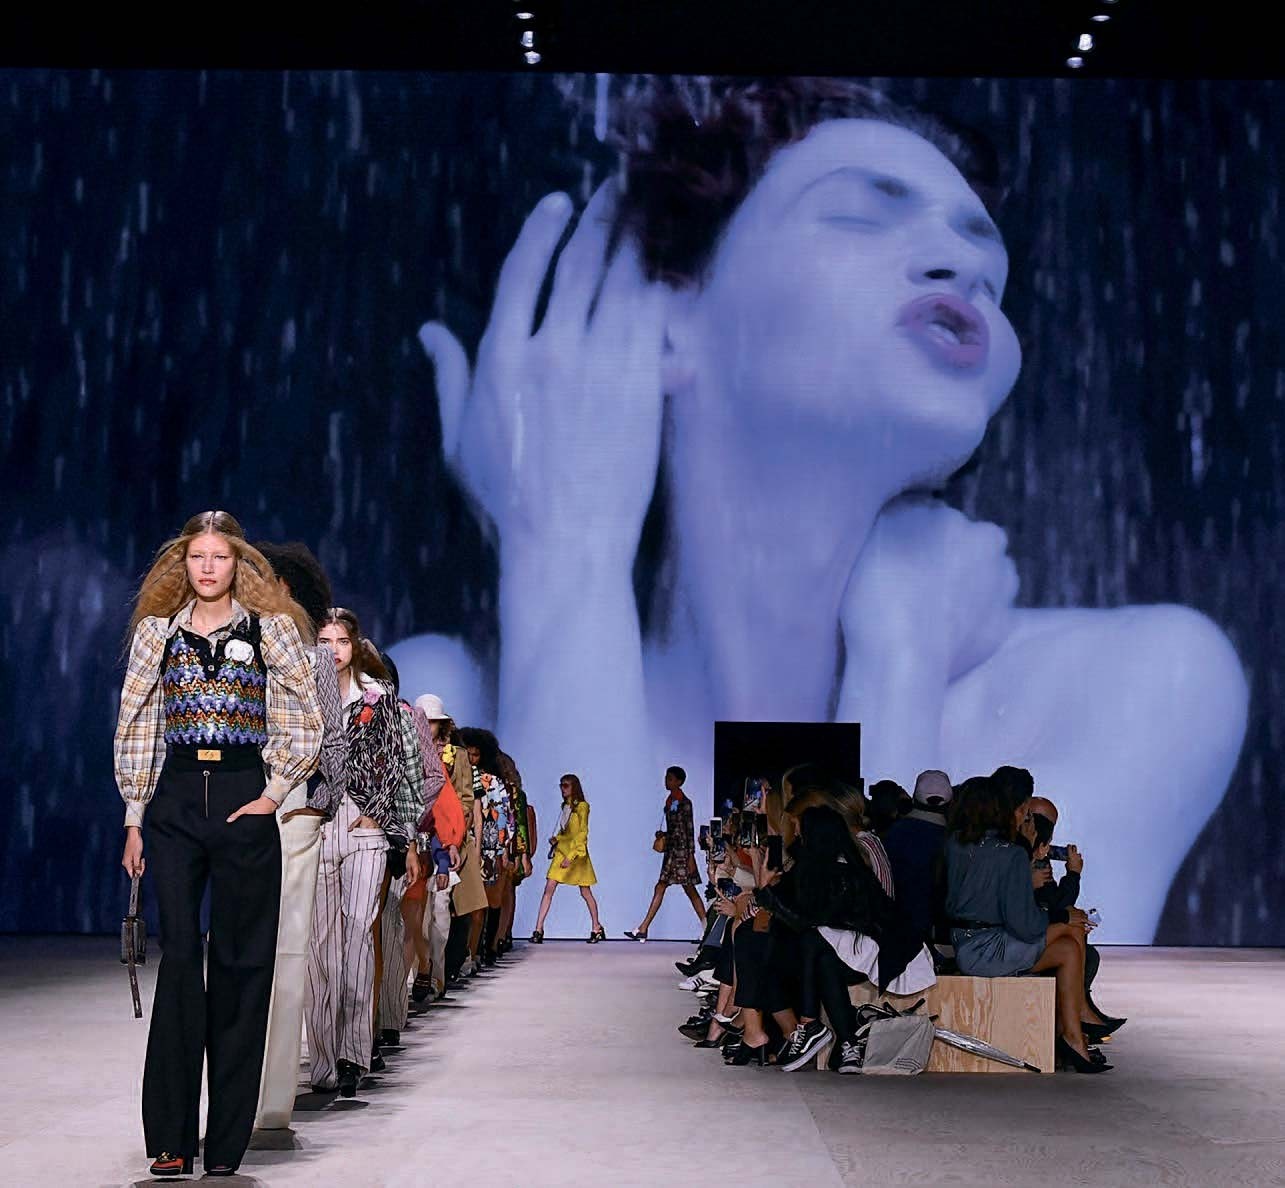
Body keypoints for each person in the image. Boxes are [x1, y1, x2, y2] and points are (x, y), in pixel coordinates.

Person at [400, 76, 1247, 943]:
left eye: (986, 260)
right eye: (858, 216)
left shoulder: (1135, 685)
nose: (964, 264)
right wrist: (562, 550)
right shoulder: (445, 705)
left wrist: (900, 657)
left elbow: (932, 1020)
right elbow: (570, 1024)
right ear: (665, 312)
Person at [115, 510, 322, 1177]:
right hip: (175, 798)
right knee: (180, 960)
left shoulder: (271, 631)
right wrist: (135, 814)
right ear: (184, 563)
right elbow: (138, 721)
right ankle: (171, 1138)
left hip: (242, 794)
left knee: (241, 964)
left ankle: (226, 1142)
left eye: (220, 557)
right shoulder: (158, 633)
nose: (208, 568)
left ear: (238, 564)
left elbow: (303, 714)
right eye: (197, 557)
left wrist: (274, 792)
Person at [250, 542, 347, 1141]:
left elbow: (333, 740)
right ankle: (233, 1093)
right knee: (236, 954)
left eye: (257, 577)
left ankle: (270, 1102)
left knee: (287, 957)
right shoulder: (237, 646)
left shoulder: (313, 659)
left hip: (293, 814)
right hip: (239, 808)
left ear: (284, 587)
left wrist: (318, 804)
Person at [305, 609, 421, 1100]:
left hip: (365, 826)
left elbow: (396, 762)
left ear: (355, 646)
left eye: (341, 641)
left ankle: (354, 1054)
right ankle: (322, 1060)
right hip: (315, 822)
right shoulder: (303, 696)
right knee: (320, 946)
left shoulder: (378, 698)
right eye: (324, 641)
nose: (332, 650)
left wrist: (381, 816)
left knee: (357, 935)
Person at [944, 776, 1108, 1073]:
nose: (1026, 819)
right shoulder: (1011, 854)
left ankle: (1073, 1036)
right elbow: (1026, 926)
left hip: (964, 943)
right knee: (1071, 929)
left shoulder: (956, 844)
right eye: (1025, 812)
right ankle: (1074, 1028)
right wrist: (1061, 914)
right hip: (987, 950)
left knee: (1069, 948)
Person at [1029, 795, 1125, 1033]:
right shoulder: (1019, 858)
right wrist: (1072, 875)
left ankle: (1081, 1014)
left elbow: (1054, 903)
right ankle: (1078, 1019)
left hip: (1024, 933)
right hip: (1008, 942)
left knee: (1082, 944)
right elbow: (1054, 906)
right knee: (1074, 942)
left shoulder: (1034, 860)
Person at [625, 766, 706, 941]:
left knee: (687, 889)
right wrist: (664, 835)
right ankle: (643, 927)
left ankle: (708, 929)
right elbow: (676, 828)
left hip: (682, 853)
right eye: (666, 778)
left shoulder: (684, 802)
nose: (666, 781)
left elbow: (689, 830)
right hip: (672, 851)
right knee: (667, 887)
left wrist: (691, 856)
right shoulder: (671, 801)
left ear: (679, 781)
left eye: (670, 778)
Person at [881, 769, 952, 946]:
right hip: (940, 930)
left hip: (898, 925)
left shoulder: (894, 834)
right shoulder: (955, 839)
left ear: (914, 798)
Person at [531, 774, 605, 942]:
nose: (562, 789)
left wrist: (571, 856)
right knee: (549, 887)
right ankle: (538, 929)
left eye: (566, 785)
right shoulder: (565, 806)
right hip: (562, 851)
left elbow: (582, 833)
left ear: (574, 787)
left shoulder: (582, 807)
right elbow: (566, 831)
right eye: (561, 785)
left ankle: (596, 927)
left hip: (577, 854)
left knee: (585, 891)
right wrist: (557, 839)